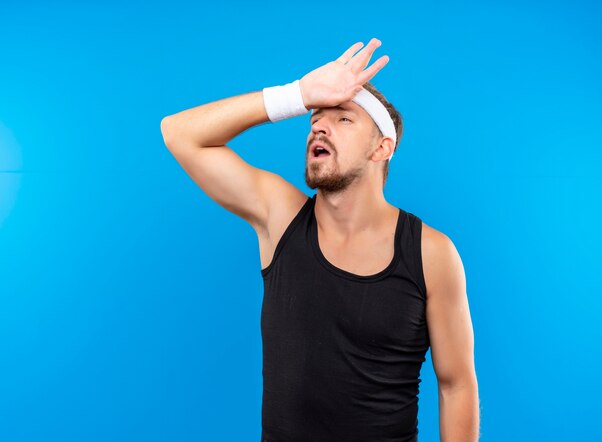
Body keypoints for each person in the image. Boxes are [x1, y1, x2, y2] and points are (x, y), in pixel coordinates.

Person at [161, 38, 479, 442]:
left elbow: (456, 385)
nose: (319, 126)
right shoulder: (281, 218)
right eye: (314, 119)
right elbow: (178, 133)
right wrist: (296, 95)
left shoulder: (431, 253)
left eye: (343, 118)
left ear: (382, 148)